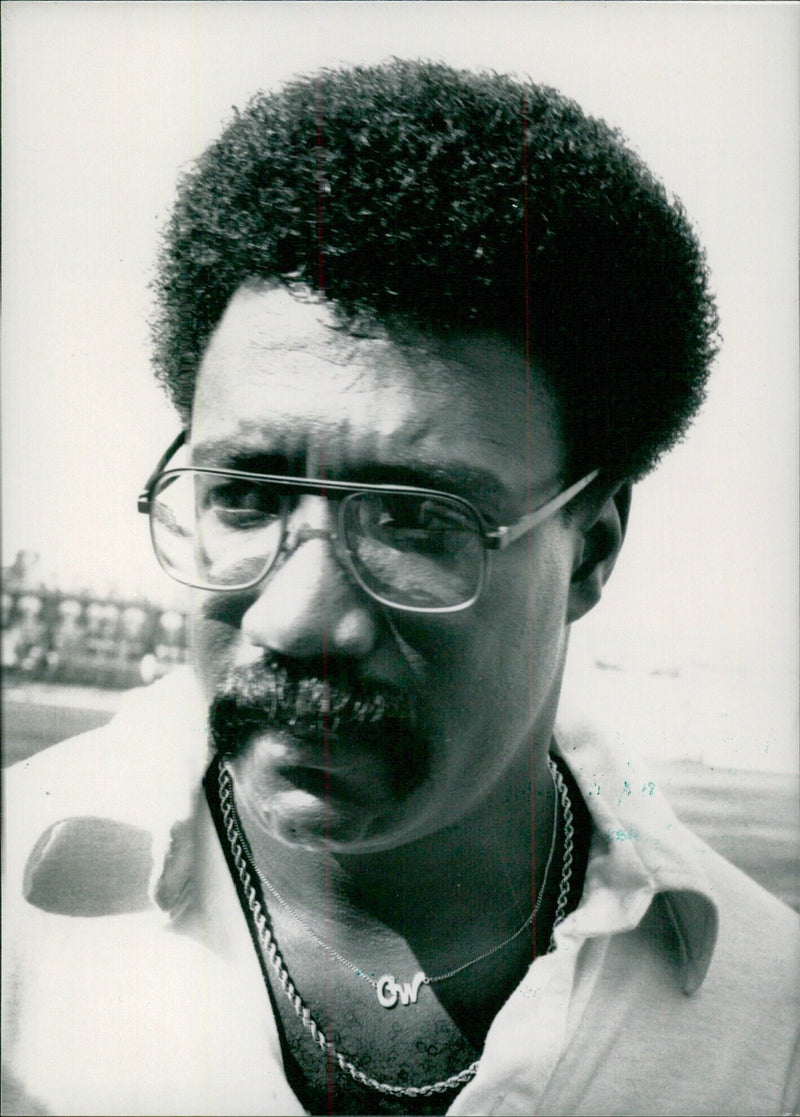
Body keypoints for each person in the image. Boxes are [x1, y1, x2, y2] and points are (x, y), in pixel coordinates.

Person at [3, 60, 798, 1117]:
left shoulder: (764, 1023)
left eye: (416, 519)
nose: (296, 618)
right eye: (245, 495)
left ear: (593, 549)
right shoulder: (20, 914)